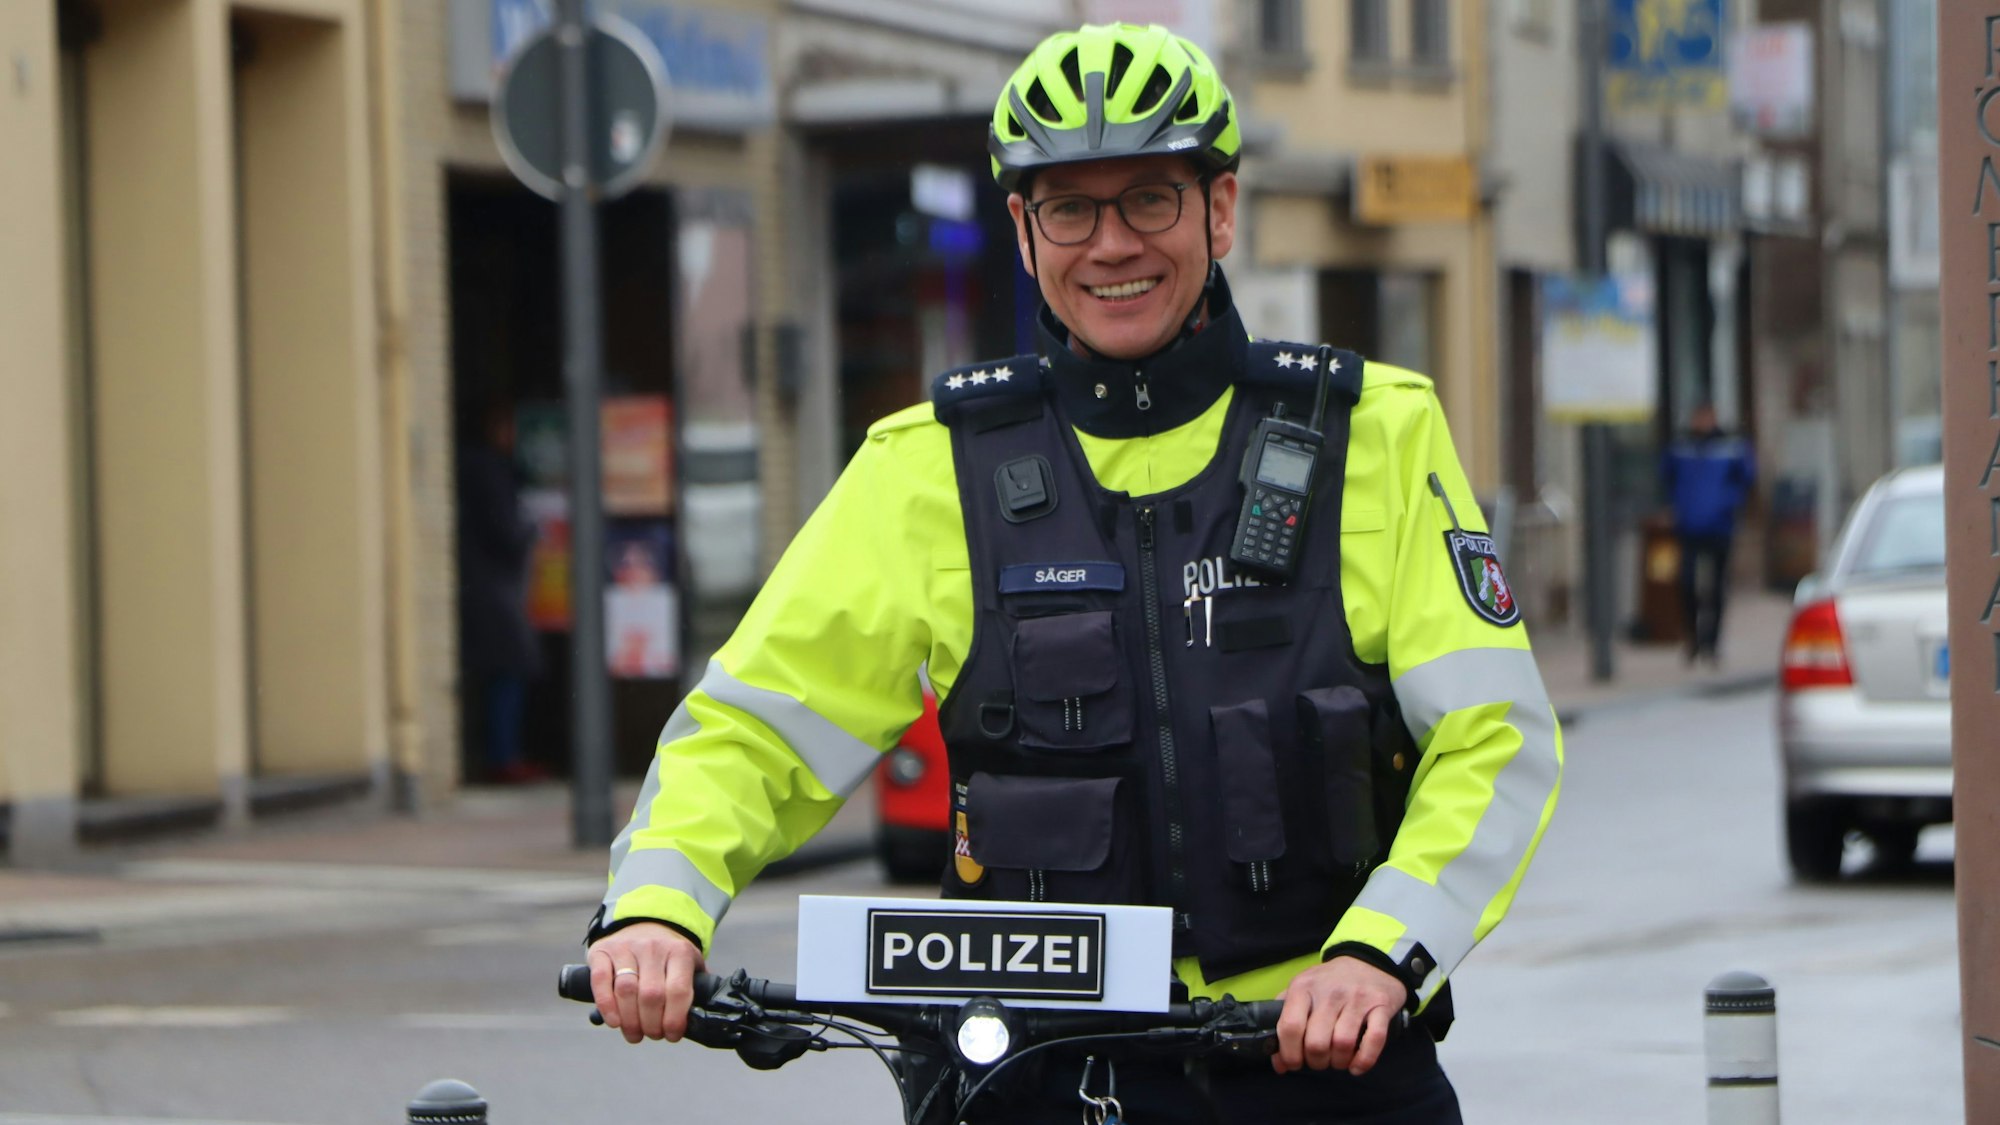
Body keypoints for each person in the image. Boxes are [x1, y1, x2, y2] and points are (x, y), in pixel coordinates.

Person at [584, 23, 1562, 1123]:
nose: (1111, 245)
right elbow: (756, 724)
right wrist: (659, 906)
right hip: (1035, 1072)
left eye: (1149, 198)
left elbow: (1492, 738)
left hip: (1321, 1063)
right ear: (1021, 227)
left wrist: (1379, 954)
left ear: (1219, 209)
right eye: (1069, 208)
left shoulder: (1369, 432)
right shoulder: (929, 465)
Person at [456, 398, 545, 784]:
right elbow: (506, 534)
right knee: (512, 667)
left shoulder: (482, 470)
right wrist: (531, 531)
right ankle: (502, 756)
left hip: (484, 584)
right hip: (492, 587)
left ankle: (501, 754)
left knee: (504, 670)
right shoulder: (490, 472)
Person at [1661, 401, 1756, 665]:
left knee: (1716, 588)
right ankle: (1692, 639)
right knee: (1687, 584)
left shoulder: (1731, 446)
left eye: (1706, 417)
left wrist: (1730, 505)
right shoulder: (1681, 446)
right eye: (1698, 417)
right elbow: (1666, 477)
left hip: (1720, 526)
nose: (1701, 423)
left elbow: (1746, 478)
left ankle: (1712, 643)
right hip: (1688, 526)